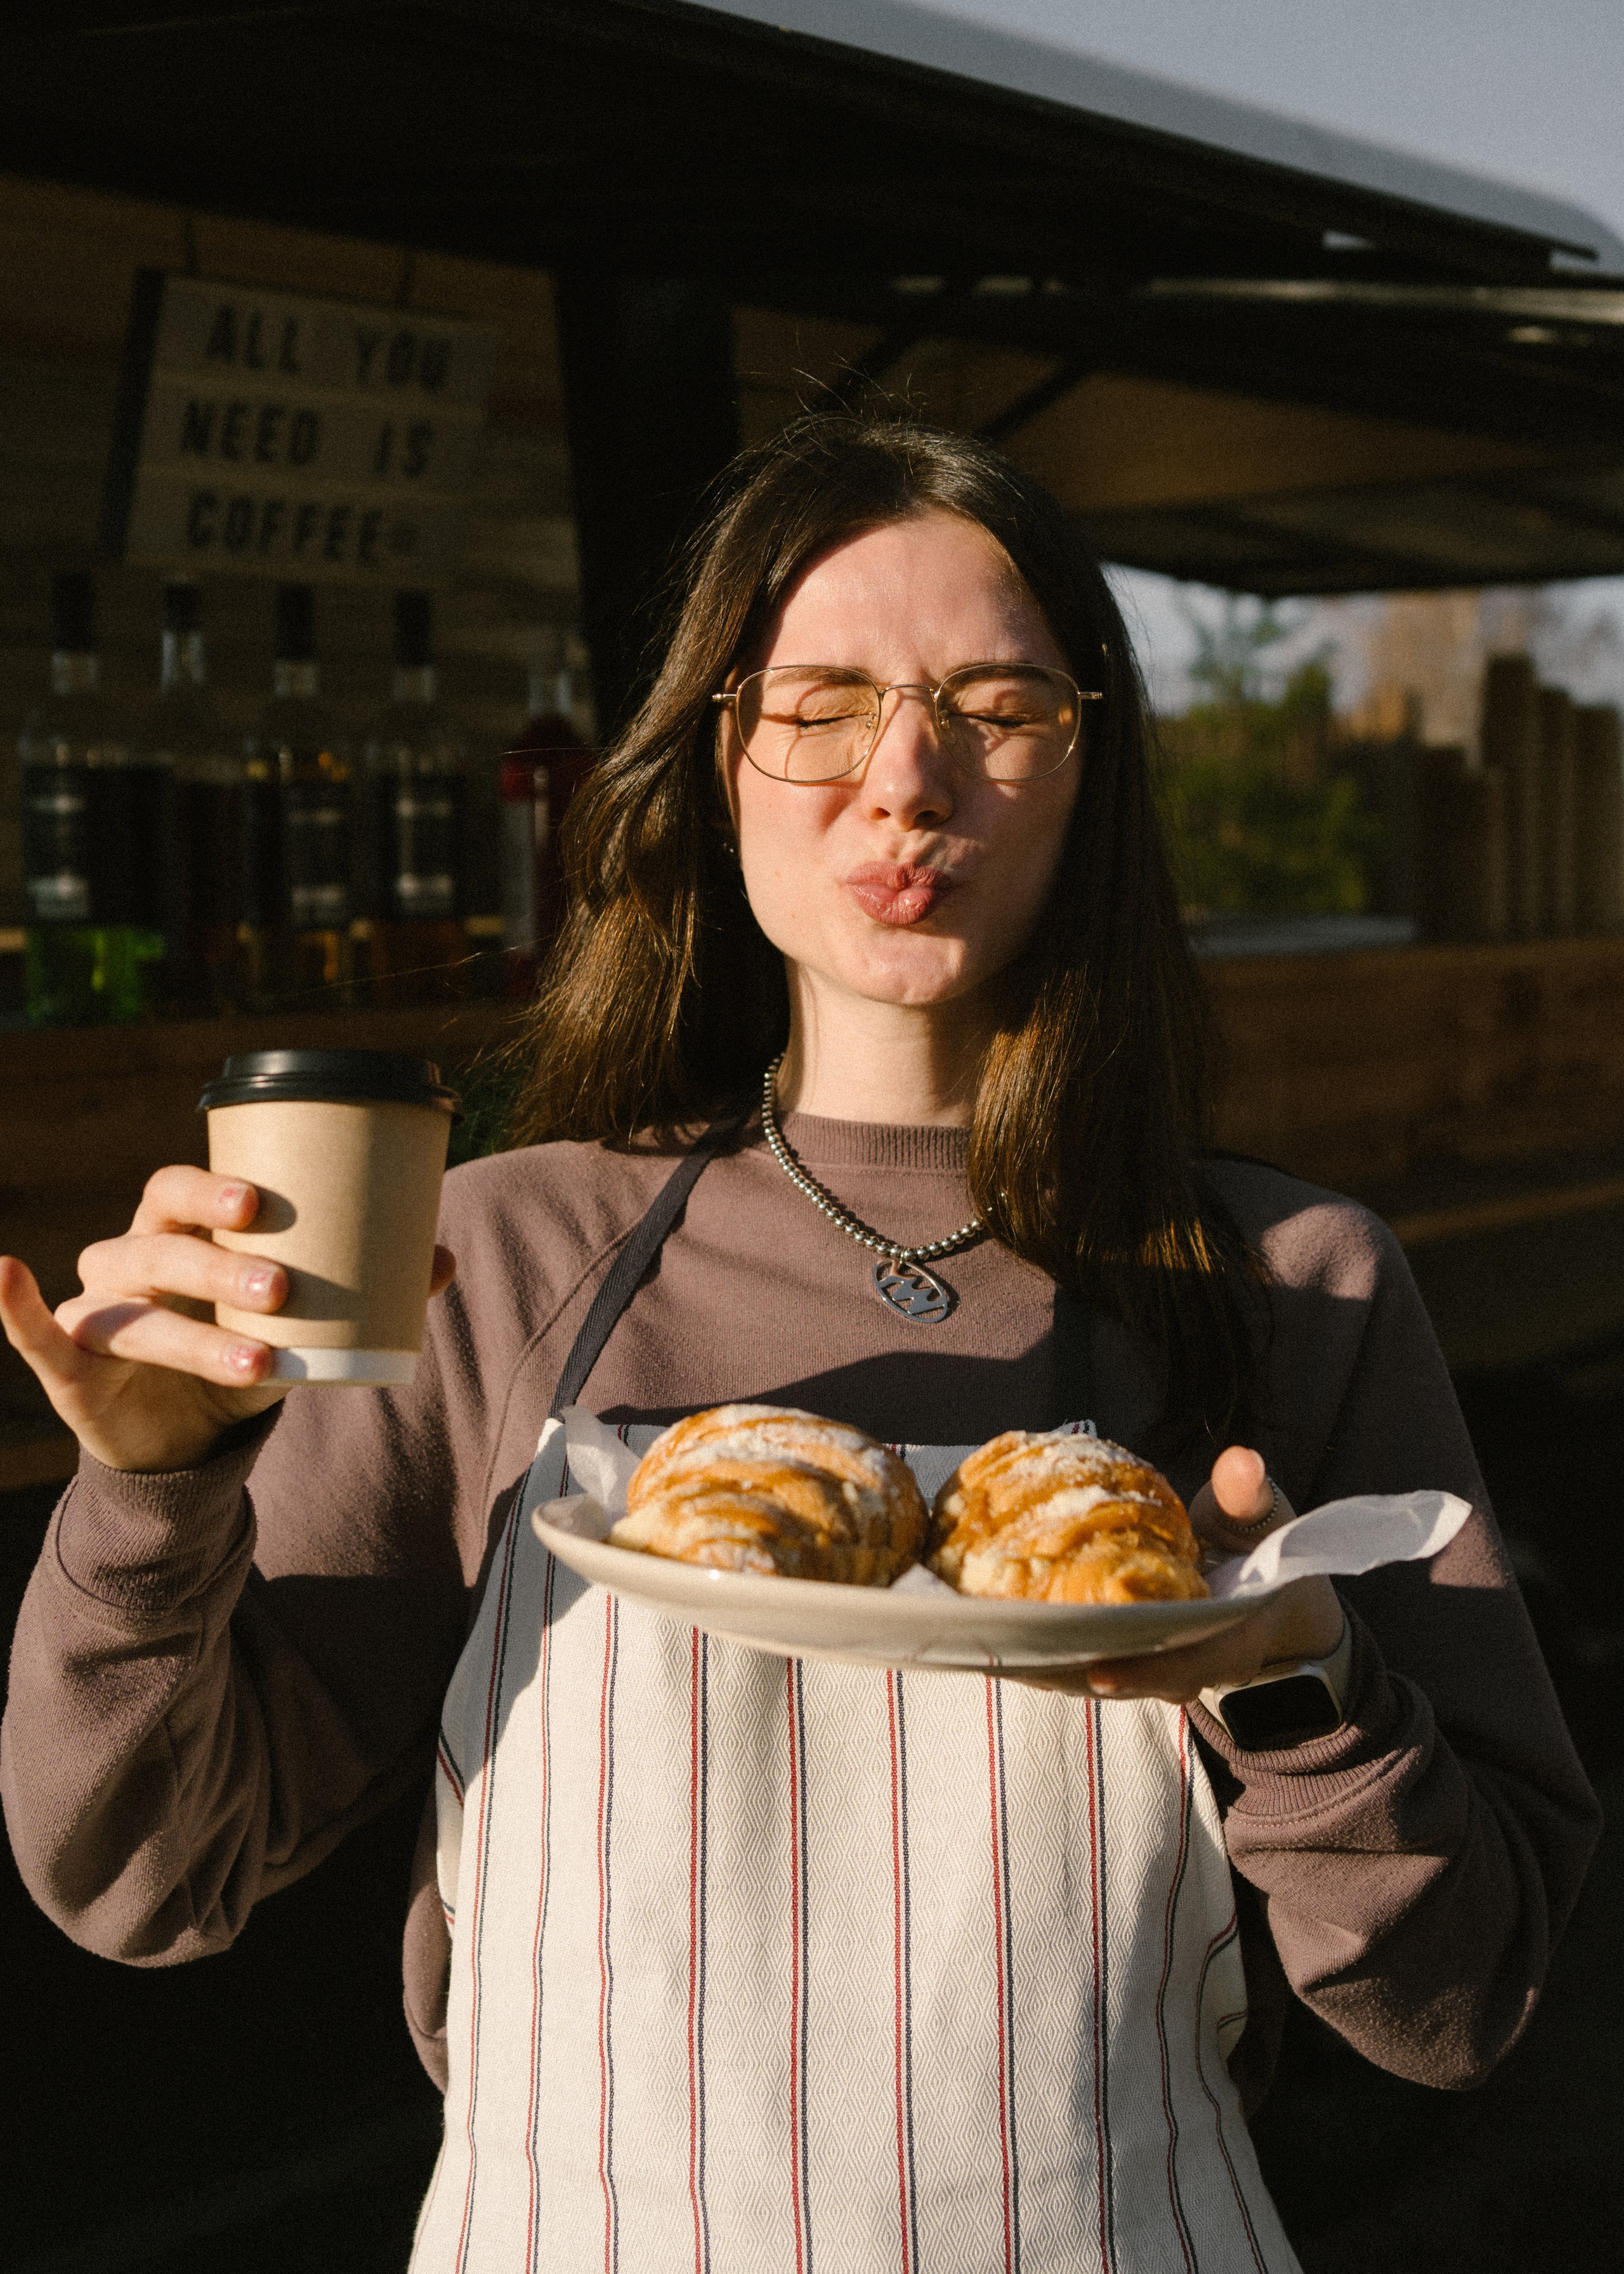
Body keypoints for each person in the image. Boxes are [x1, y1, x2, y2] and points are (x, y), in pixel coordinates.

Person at [0, 416, 1599, 2273]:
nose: (906, 780)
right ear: (717, 759)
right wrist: (152, 1491)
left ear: (1092, 764)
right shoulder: (505, 1256)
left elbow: (1466, 2004)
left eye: (997, 704)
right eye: (819, 703)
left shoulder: (1294, 1282)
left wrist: (1297, 1675)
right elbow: (143, 1881)